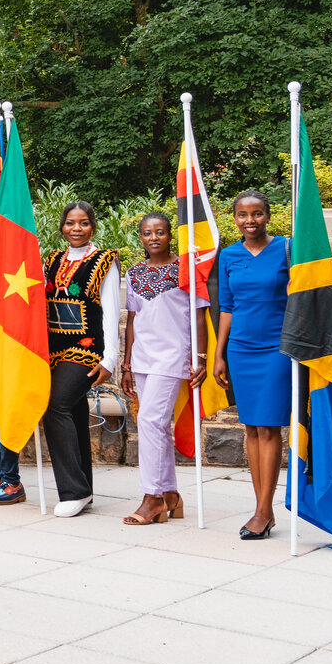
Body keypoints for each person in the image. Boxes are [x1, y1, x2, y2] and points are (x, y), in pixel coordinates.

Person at [21, 202, 122, 516]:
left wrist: (110, 360)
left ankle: (73, 491)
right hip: (52, 351)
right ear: (61, 226)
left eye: (83, 223)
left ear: (93, 225)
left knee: (57, 405)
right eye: (70, 223)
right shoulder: (51, 260)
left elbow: (111, 311)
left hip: (87, 351)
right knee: (74, 412)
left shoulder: (105, 261)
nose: (76, 229)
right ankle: (85, 490)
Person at [213, 191, 291, 540]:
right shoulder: (228, 256)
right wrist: (219, 354)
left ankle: (263, 510)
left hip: (276, 348)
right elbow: (226, 308)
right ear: (234, 219)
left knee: (270, 427)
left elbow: (302, 297)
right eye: (242, 215)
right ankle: (263, 508)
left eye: (257, 214)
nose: (250, 221)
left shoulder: (287, 249)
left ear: (267, 216)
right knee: (250, 428)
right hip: (241, 349)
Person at [121, 212, 205, 525]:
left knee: (150, 419)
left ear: (170, 235)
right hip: (142, 357)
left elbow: (199, 315)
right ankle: (171, 495)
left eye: (160, 232)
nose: (153, 237)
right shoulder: (133, 273)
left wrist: (201, 356)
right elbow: (132, 318)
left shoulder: (185, 270)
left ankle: (152, 498)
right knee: (155, 426)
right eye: (147, 232)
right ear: (140, 237)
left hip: (172, 356)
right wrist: (127, 362)